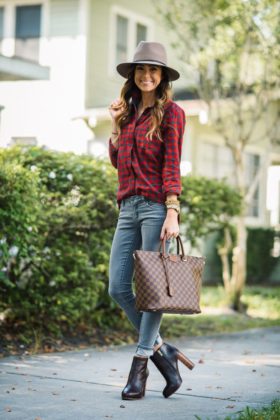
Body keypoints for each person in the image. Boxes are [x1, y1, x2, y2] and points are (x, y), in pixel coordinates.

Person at [108, 41, 194, 401]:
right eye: (140, 70)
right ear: (133, 76)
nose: (146, 75)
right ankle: (164, 352)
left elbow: (170, 164)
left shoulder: (172, 113)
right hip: (128, 208)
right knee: (118, 287)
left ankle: (141, 365)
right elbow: (118, 162)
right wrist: (114, 126)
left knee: (151, 293)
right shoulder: (126, 113)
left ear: (162, 78)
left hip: (157, 207)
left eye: (153, 70)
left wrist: (172, 210)